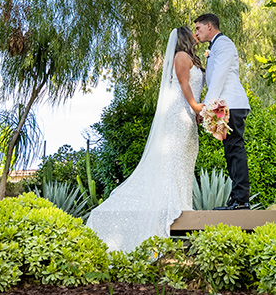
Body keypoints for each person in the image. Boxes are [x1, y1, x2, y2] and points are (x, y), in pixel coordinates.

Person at [86, 27, 204, 252]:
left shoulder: (192, 58)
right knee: (175, 159)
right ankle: (175, 207)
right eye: (192, 33)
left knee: (184, 161)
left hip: (188, 116)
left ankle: (182, 205)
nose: (195, 35)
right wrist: (196, 106)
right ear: (184, 39)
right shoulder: (181, 56)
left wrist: (196, 112)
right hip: (179, 116)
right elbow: (184, 83)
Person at [194, 13, 251, 210]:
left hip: (232, 103)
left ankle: (241, 201)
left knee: (235, 149)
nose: (196, 33)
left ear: (209, 26)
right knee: (231, 151)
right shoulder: (214, 47)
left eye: (198, 28)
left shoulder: (224, 43)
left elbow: (219, 76)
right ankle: (237, 198)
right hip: (225, 104)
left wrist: (206, 107)